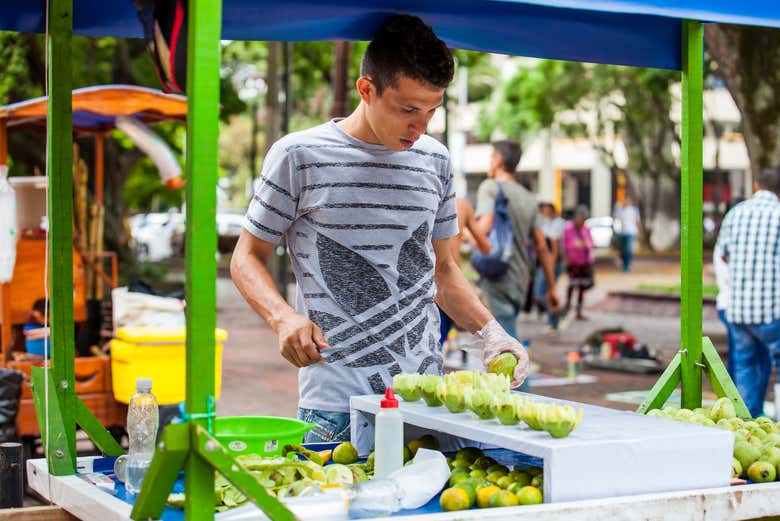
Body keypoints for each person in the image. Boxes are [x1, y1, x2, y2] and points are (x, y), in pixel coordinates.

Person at [231, 15, 531, 442]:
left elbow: (443, 272)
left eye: (431, 111)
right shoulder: (298, 155)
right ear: (366, 90)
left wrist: (492, 333)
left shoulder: (436, 161)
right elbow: (246, 257)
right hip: (335, 405)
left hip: (427, 399)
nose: (420, 127)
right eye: (408, 109)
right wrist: (282, 318)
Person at [474, 141, 560, 343]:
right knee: (502, 336)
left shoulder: (490, 188)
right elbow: (542, 246)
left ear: (498, 161)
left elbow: (484, 227)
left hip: (497, 275)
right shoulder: (529, 198)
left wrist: (462, 229)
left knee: (504, 345)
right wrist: (552, 288)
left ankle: (520, 374)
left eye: (491, 158)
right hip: (520, 279)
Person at [717, 168, 780, 418]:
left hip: (740, 309)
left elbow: (723, 254)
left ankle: (745, 425)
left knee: (745, 368)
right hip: (773, 310)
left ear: (756, 185)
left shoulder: (735, 214)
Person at [533, 200, 565, 329]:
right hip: (544, 261)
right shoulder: (544, 222)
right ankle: (556, 316)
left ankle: (557, 315)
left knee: (545, 292)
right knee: (542, 293)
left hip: (552, 262)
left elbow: (554, 246)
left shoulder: (558, 223)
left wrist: (550, 264)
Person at [562, 205, 595, 320]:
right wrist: (566, 259)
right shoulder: (568, 228)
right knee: (572, 284)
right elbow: (565, 245)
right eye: (581, 218)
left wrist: (586, 244)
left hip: (585, 261)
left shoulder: (586, 229)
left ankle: (579, 310)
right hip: (573, 261)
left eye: (585, 219)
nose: (583, 221)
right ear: (576, 217)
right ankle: (568, 306)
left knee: (582, 286)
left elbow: (591, 243)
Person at [613, 195, 641, 272]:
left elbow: (637, 221)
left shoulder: (634, 210)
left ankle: (627, 265)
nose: (627, 201)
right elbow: (616, 219)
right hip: (621, 232)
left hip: (631, 232)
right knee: (622, 250)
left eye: (628, 200)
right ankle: (624, 262)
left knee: (628, 249)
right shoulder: (619, 209)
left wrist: (639, 232)